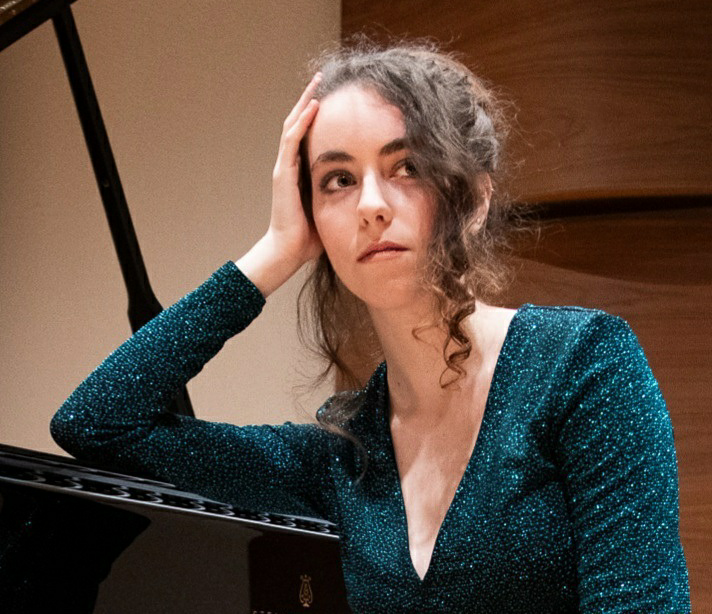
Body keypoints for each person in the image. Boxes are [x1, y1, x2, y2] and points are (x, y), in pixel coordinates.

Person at [51, 42, 690, 612]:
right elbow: (95, 422)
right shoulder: (341, 456)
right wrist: (275, 251)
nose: (372, 206)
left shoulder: (584, 365)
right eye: (338, 180)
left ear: (474, 197)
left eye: (406, 167)